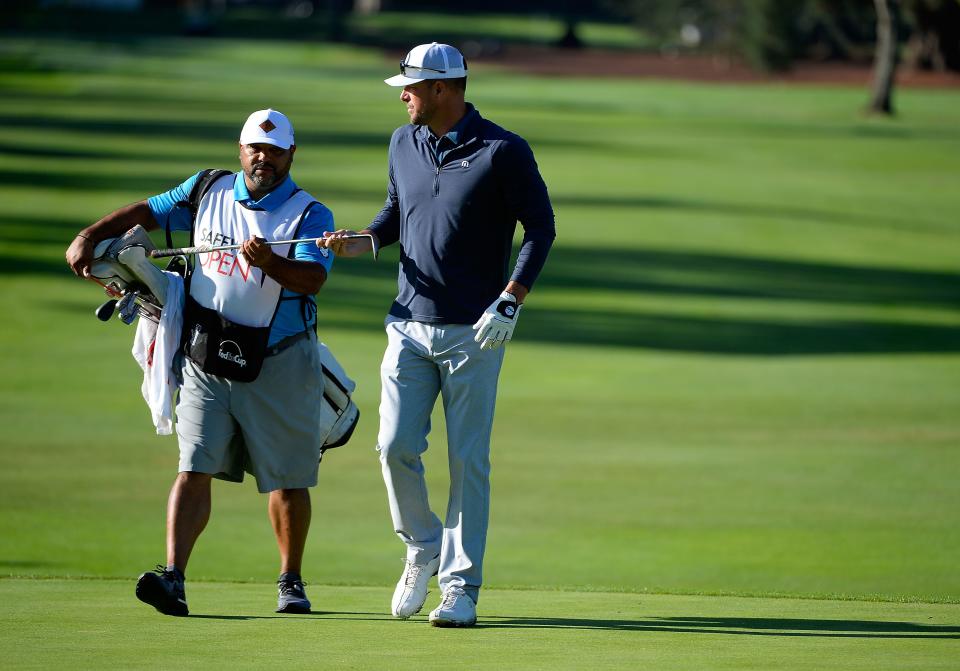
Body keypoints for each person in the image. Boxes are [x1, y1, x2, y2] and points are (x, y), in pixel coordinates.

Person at [65, 109, 335, 617]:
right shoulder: (205, 189)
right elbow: (147, 211)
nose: (264, 158)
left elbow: (312, 280)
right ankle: (174, 579)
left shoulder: (309, 214)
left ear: (291, 156)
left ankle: (290, 581)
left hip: (279, 358)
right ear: (241, 149)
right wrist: (88, 235)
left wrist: (271, 264)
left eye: (276, 151)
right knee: (194, 466)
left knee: (287, 476)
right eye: (256, 148)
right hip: (206, 355)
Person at [322, 43, 555, 627]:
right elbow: (398, 211)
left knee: (467, 461)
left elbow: (541, 228)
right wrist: (365, 240)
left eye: (411, 86)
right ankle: (423, 545)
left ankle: (460, 588)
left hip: (475, 332)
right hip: (407, 324)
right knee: (393, 445)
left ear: (444, 89)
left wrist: (511, 299)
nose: (402, 95)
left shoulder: (503, 150)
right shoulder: (403, 141)